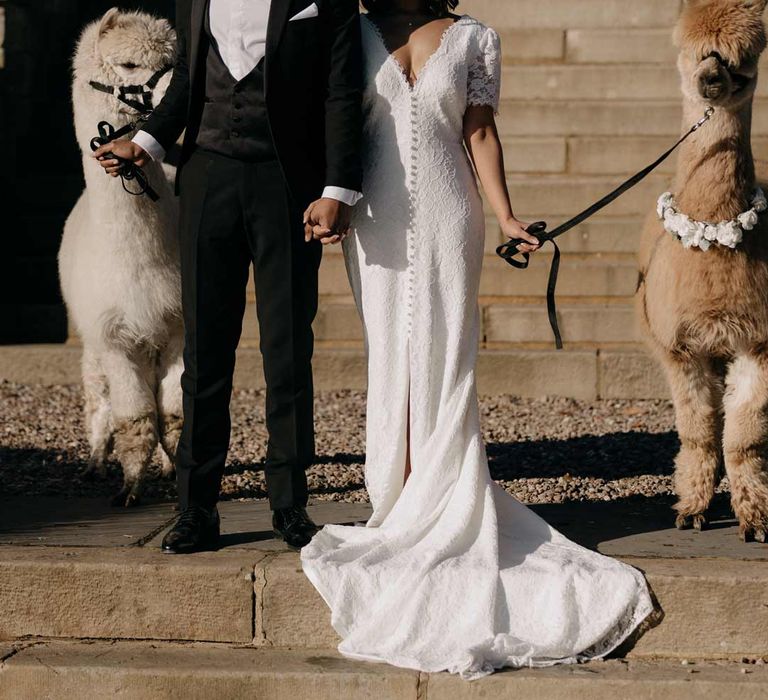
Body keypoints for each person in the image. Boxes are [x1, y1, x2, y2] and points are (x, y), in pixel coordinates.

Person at [300, 0, 654, 679]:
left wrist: (508, 215)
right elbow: (333, 115)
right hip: (372, 215)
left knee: (444, 354)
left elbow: (481, 135)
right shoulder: (355, 31)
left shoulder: (473, 39)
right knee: (389, 354)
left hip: (445, 209)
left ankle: (442, 497)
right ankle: (395, 495)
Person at [94, 0, 364, 553]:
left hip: (287, 183)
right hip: (207, 177)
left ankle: (289, 504)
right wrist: (143, 143)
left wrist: (337, 189)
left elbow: (342, 92)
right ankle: (196, 509)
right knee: (206, 352)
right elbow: (190, 79)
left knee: (288, 352)